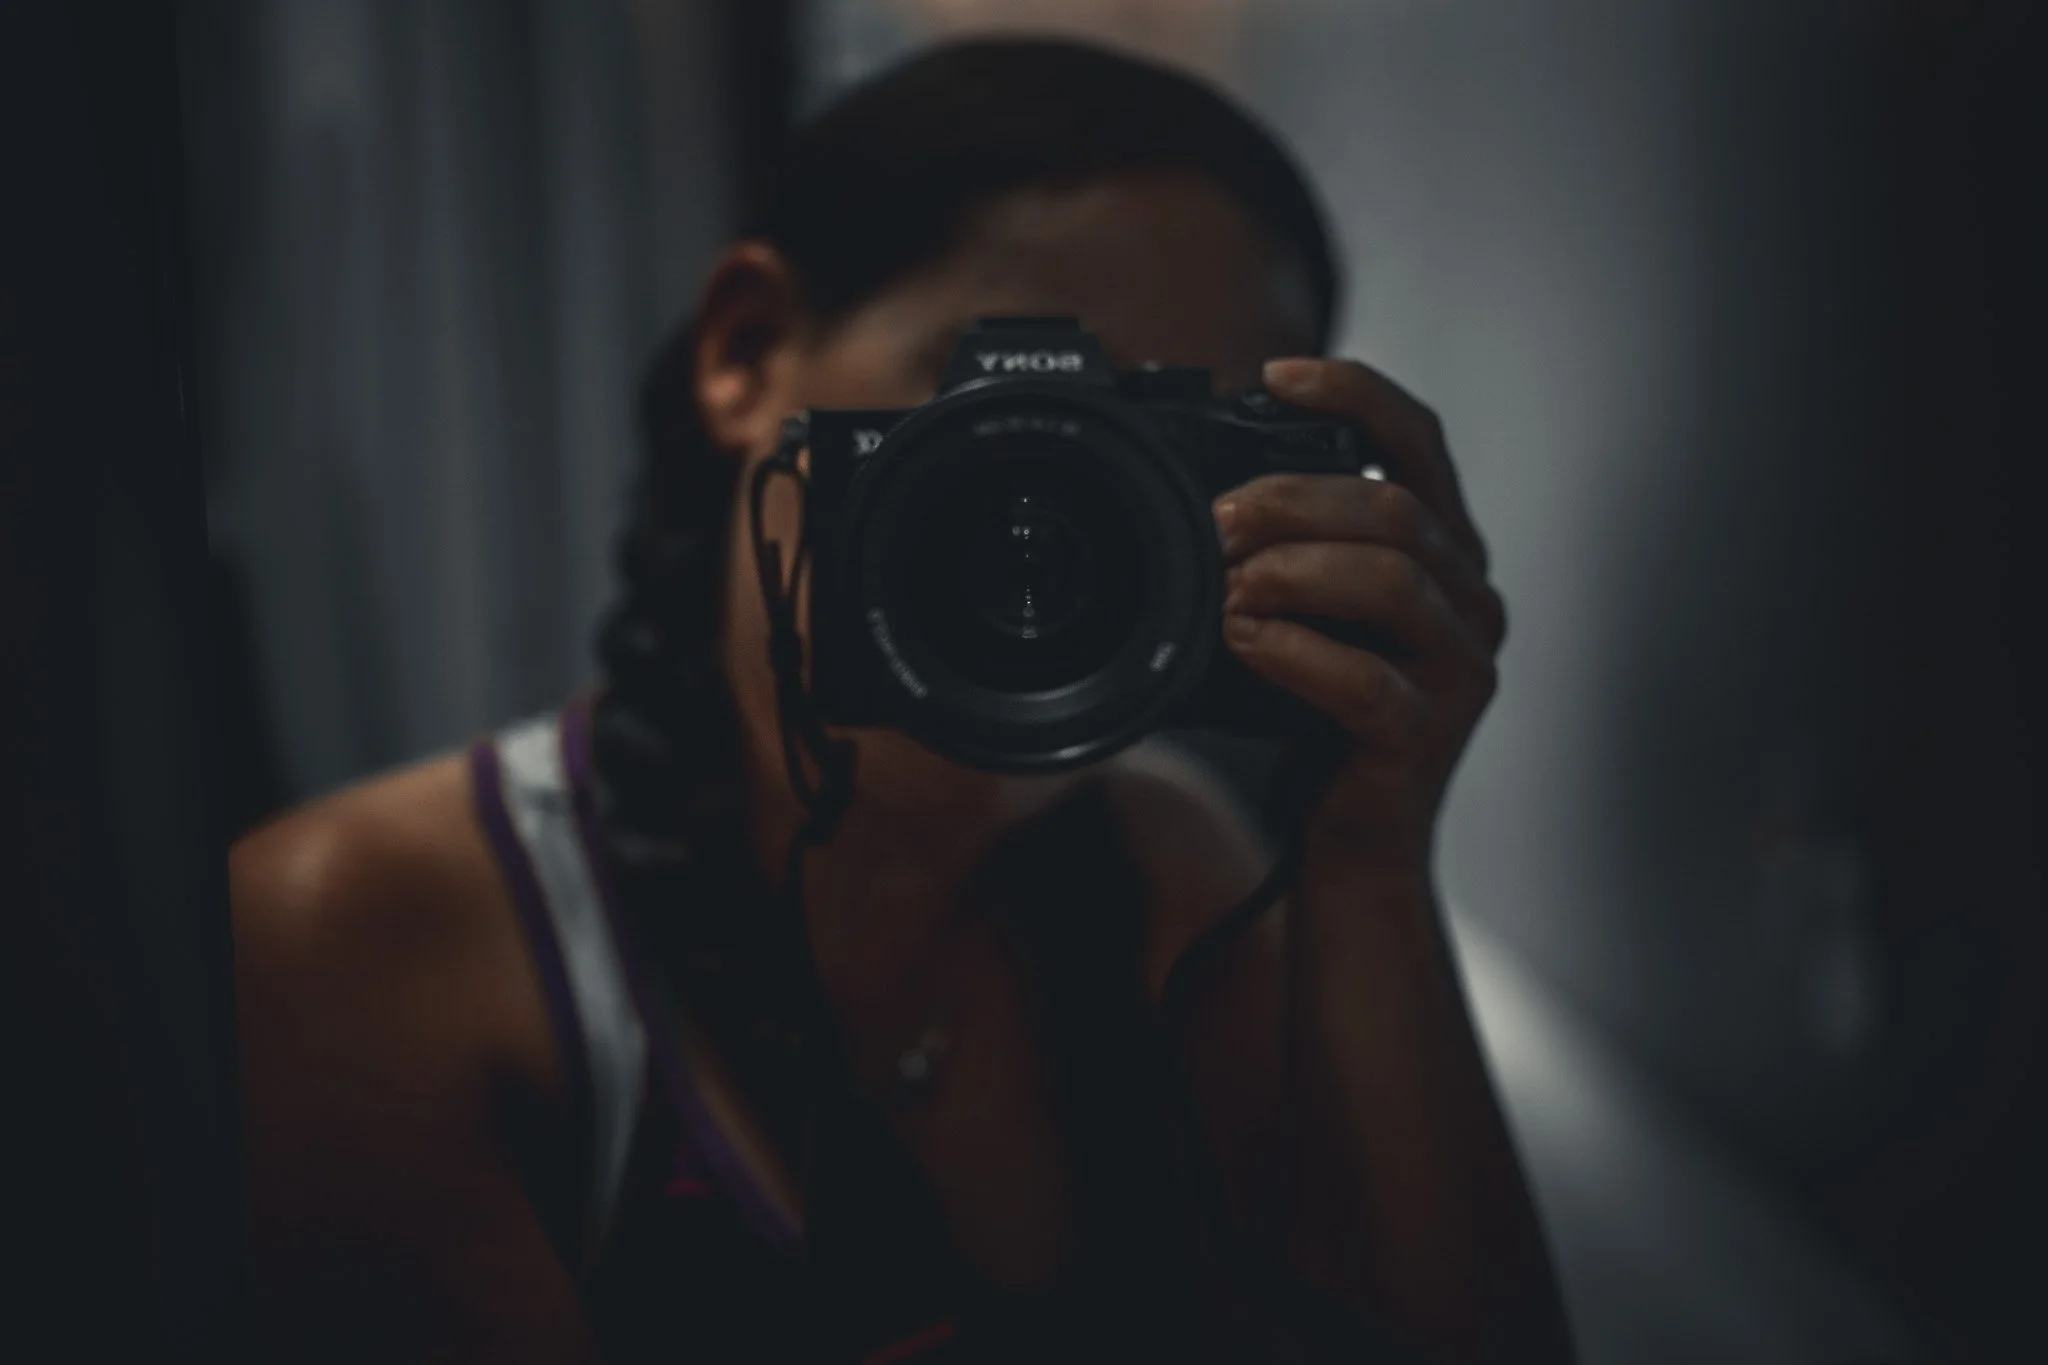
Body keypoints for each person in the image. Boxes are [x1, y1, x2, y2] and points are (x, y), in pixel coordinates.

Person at [230, 37, 1574, 1365]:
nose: (1071, 520)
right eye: (1020, 405)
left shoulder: (1170, 870)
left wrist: (1372, 857)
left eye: (1162, 450)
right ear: (749, 352)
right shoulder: (353, 937)